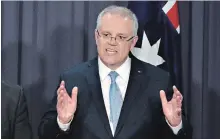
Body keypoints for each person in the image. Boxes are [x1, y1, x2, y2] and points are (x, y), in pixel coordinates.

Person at [38, 5, 192, 139]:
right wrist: (63, 122)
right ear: (96, 36)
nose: (112, 42)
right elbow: (45, 133)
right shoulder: (73, 79)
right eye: (106, 35)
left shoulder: (158, 80)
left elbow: (185, 134)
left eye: (120, 37)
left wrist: (175, 124)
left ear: (133, 42)